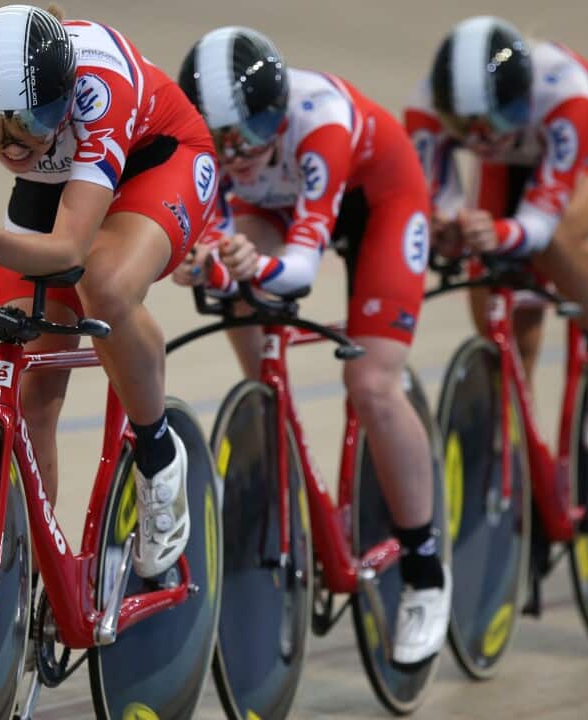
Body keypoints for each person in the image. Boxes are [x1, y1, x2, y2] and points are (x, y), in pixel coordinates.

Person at [172, 26, 450, 667]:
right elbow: (207, 241)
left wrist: (232, 264)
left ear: (277, 111)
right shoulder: (207, 146)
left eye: (249, 134)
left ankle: (427, 571)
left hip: (377, 202)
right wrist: (204, 263)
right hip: (275, 205)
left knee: (373, 386)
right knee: (240, 300)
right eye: (221, 141)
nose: (235, 153)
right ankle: (275, 432)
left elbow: (299, 267)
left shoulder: (318, 118)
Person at [0, 4, 220, 577]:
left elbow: (68, 255)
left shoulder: (99, 85)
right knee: (30, 387)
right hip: (55, 183)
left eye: (30, 121)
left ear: (66, 90)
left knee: (103, 285)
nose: (8, 146)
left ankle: (158, 454)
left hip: (156, 165)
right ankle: (28, 579)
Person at [406, 16, 588, 454]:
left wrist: (496, 230)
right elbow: (438, 203)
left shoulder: (564, 88)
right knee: (494, 286)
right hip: (519, 153)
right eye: (467, 129)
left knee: (559, 238)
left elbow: (540, 222)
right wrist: (448, 228)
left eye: (494, 120)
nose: (482, 140)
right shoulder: (426, 109)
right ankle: (521, 459)